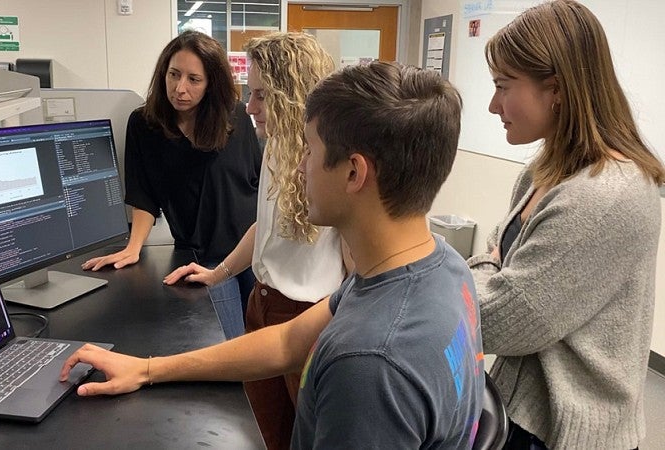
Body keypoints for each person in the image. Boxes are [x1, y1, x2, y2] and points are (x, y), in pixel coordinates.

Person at [60, 61, 485, 449]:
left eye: (310, 152)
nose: (300, 168)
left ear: (354, 172)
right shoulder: (442, 267)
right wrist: (148, 369)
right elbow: (286, 341)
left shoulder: (368, 365)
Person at [467, 1, 665, 449]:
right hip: (522, 412)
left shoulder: (607, 195)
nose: (494, 104)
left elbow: (500, 321)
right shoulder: (544, 172)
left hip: (568, 436)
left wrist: (485, 266)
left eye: (503, 86)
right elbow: (496, 255)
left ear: (555, 89)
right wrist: (491, 262)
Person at [162, 32, 345, 448]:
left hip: (309, 316)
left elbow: (357, 268)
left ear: (292, 94)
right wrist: (218, 273)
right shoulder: (277, 145)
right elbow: (265, 225)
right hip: (262, 304)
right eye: (251, 93)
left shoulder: (329, 161)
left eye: (261, 96)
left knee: (311, 438)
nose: (250, 107)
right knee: (266, 435)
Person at [81, 31, 261, 339]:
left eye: (194, 79)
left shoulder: (236, 116)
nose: (180, 89)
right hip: (204, 257)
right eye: (174, 75)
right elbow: (144, 194)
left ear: (211, 83)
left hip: (253, 250)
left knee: (262, 347)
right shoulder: (144, 124)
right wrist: (133, 247)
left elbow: (255, 183)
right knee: (229, 343)